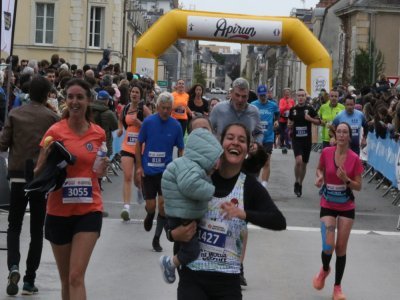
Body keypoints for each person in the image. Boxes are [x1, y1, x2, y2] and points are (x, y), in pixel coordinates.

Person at [167, 123, 287, 299]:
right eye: (230, 138)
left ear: (246, 150)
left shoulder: (249, 186)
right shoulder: (200, 177)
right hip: (193, 275)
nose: (235, 143)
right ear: (220, 144)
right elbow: (171, 210)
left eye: (242, 140)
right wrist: (173, 234)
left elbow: (279, 221)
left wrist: (244, 214)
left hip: (228, 281)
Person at [35, 78, 108, 300]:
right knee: (66, 280)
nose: (74, 102)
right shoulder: (54, 132)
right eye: (70, 97)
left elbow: (98, 172)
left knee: (76, 276)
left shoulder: (98, 134)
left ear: (88, 101)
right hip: (59, 211)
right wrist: (46, 162)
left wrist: (102, 170)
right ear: (65, 100)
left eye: (80, 97)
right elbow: (37, 173)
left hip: (89, 210)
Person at [0, 76, 59, 296]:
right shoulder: (52, 117)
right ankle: (29, 280)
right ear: (46, 95)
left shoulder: (15, 114)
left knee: (13, 226)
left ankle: (13, 266)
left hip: (16, 175)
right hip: (39, 179)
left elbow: (3, 144)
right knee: (36, 230)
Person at [209, 77, 263, 286]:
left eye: (244, 96)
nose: (240, 100)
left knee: (241, 219)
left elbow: (259, 133)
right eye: (237, 95)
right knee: (217, 213)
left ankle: (238, 265)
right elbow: (211, 132)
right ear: (231, 93)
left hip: (245, 167)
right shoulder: (219, 110)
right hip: (221, 166)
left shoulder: (253, 112)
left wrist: (255, 145)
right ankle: (215, 257)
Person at [159, 127, 223, 284]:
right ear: (205, 153)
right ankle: (170, 263)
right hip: (182, 216)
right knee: (191, 250)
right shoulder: (190, 167)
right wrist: (211, 190)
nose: (217, 165)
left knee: (189, 248)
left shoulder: (189, 165)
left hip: (181, 213)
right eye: (215, 159)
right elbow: (190, 185)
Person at [314, 122, 363, 300]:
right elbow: (319, 169)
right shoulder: (327, 152)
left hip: (346, 207)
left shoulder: (354, 158)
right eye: (339, 132)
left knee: (341, 247)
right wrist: (320, 178)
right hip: (327, 203)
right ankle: (325, 269)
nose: (341, 135)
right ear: (335, 135)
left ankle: (337, 287)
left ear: (349, 136)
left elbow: (359, 186)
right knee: (328, 246)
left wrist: (347, 180)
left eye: (345, 132)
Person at [135, 92, 185, 252]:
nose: (165, 111)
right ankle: (150, 215)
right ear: (157, 107)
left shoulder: (176, 125)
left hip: (166, 172)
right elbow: (138, 143)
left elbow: (181, 148)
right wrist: (139, 166)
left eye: (168, 108)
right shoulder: (149, 122)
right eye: (163, 108)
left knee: (163, 207)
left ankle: (156, 239)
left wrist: (179, 167)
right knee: (151, 206)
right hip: (148, 172)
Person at [117, 83, 151, 221]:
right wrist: (120, 129)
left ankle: (139, 189)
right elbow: (120, 120)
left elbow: (151, 126)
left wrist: (140, 123)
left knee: (138, 179)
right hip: (127, 146)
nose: (134, 94)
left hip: (140, 148)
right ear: (130, 94)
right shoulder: (125, 108)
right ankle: (126, 207)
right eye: (132, 92)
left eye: (137, 92)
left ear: (140, 95)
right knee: (127, 176)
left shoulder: (144, 109)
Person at [288, 89, 321, 197]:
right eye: (299, 96)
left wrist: (310, 119)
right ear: (296, 97)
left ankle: (300, 184)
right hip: (296, 139)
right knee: (298, 161)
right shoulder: (293, 110)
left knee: (304, 164)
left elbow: (319, 122)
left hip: (307, 140)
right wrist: (290, 125)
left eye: (303, 95)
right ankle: (296, 182)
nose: (301, 97)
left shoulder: (310, 109)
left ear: (305, 97)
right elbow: (290, 122)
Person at [251, 84, 279, 188]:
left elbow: (277, 114)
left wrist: (276, 121)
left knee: (266, 161)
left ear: (267, 94)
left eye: (264, 95)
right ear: (258, 95)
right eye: (261, 95)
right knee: (257, 161)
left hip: (268, 137)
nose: (263, 97)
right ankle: (255, 183)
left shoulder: (273, 105)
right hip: (256, 137)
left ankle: (264, 185)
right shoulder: (253, 105)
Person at [278, 88, 295, 153]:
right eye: (286, 92)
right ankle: (282, 144)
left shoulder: (292, 101)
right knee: (282, 134)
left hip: (289, 120)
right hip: (282, 119)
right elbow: (281, 109)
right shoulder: (281, 100)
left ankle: (288, 145)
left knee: (286, 132)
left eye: (288, 92)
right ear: (284, 93)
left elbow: (293, 109)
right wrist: (287, 104)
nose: (287, 94)